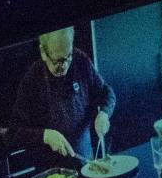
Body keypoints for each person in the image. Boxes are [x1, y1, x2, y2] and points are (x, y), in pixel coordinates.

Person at [10, 27, 116, 164]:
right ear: (43, 52)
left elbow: (107, 92)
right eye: (57, 61)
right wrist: (45, 135)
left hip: (85, 157)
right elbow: (13, 133)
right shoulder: (32, 79)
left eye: (68, 57)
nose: (64, 66)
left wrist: (104, 113)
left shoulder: (80, 60)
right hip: (50, 168)